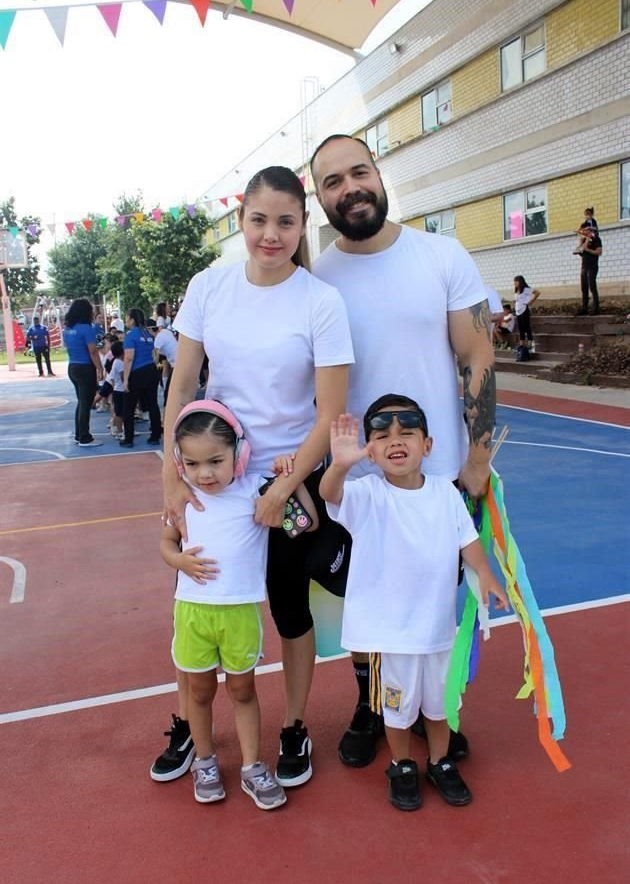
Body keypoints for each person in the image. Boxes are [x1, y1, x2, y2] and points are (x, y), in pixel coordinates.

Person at [154, 166, 354, 788]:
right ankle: (193, 725)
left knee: (291, 610)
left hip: (288, 475)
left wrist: (284, 488)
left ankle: (293, 726)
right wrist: (171, 469)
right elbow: (183, 384)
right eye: (259, 220)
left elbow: (329, 412)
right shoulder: (209, 287)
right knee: (198, 601)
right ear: (241, 220)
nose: (272, 235)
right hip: (213, 475)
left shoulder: (320, 301)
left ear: (302, 225)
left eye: (286, 222)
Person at [309, 134, 496, 768]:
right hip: (360, 480)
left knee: (435, 598)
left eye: (357, 171)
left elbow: (476, 355)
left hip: (438, 473)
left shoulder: (442, 255)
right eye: (332, 181)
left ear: (379, 174)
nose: (349, 187)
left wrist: (476, 459)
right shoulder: (316, 277)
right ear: (320, 198)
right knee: (366, 600)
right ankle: (373, 704)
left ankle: (432, 710)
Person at [320, 398, 507, 810]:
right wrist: (340, 464)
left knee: (440, 710)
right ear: (369, 449)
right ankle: (402, 764)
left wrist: (486, 574)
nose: (395, 441)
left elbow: (468, 541)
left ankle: (439, 763)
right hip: (392, 637)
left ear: (429, 444)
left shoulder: (444, 492)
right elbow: (329, 494)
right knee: (397, 712)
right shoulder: (366, 494)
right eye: (382, 436)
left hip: (437, 630)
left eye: (407, 433)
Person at [160, 400, 317, 808]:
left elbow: (305, 524)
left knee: (243, 689)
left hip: (240, 613)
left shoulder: (255, 490)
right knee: (198, 690)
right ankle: (206, 761)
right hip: (192, 612)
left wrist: (290, 478)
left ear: (239, 455)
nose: (205, 473)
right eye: (192, 464)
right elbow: (166, 541)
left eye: (215, 460)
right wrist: (177, 560)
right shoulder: (184, 497)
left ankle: (251, 765)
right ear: (180, 464)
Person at [63, 298, 103, 447]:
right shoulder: (87, 328)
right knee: (86, 403)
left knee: (81, 402)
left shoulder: (68, 329)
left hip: (72, 366)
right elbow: (92, 350)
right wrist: (99, 367)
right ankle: (85, 437)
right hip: (85, 367)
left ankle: (79, 433)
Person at [120, 307, 162, 447]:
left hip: (138, 372)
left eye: (127, 317)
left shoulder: (131, 336)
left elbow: (129, 358)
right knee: (152, 404)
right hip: (151, 370)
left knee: (129, 407)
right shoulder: (148, 334)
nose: (126, 320)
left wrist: (126, 380)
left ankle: (128, 439)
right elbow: (154, 354)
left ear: (132, 320)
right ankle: (155, 436)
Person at [146, 318, 178, 406]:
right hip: (178, 363)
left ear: (149, 329)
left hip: (176, 365)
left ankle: (166, 416)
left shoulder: (158, 340)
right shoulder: (165, 332)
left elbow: (155, 359)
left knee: (168, 394)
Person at [513, 275, 539, 353]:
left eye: (516, 281)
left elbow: (537, 292)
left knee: (526, 327)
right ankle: (521, 344)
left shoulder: (526, 289)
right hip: (518, 311)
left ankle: (530, 343)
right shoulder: (517, 290)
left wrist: (531, 301)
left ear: (520, 282)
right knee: (521, 328)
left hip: (524, 310)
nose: (514, 283)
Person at [579, 228, 602, 315]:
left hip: (592, 266)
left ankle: (596, 309)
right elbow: (581, 252)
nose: (584, 232)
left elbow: (599, 252)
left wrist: (588, 249)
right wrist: (581, 243)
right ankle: (584, 309)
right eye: (583, 230)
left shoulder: (596, 239)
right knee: (584, 288)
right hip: (584, 266)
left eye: (585, 230)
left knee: (592, 287)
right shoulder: (584, 240)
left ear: (590, 230)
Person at [107, 340, 125, 439]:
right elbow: (123, 377)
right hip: (120, 391)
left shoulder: (116, 362)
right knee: (119, 413)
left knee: (120, 411)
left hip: (117, 390)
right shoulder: (119, 363)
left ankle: (120, 430)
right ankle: (119, 431)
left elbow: (112, 378)